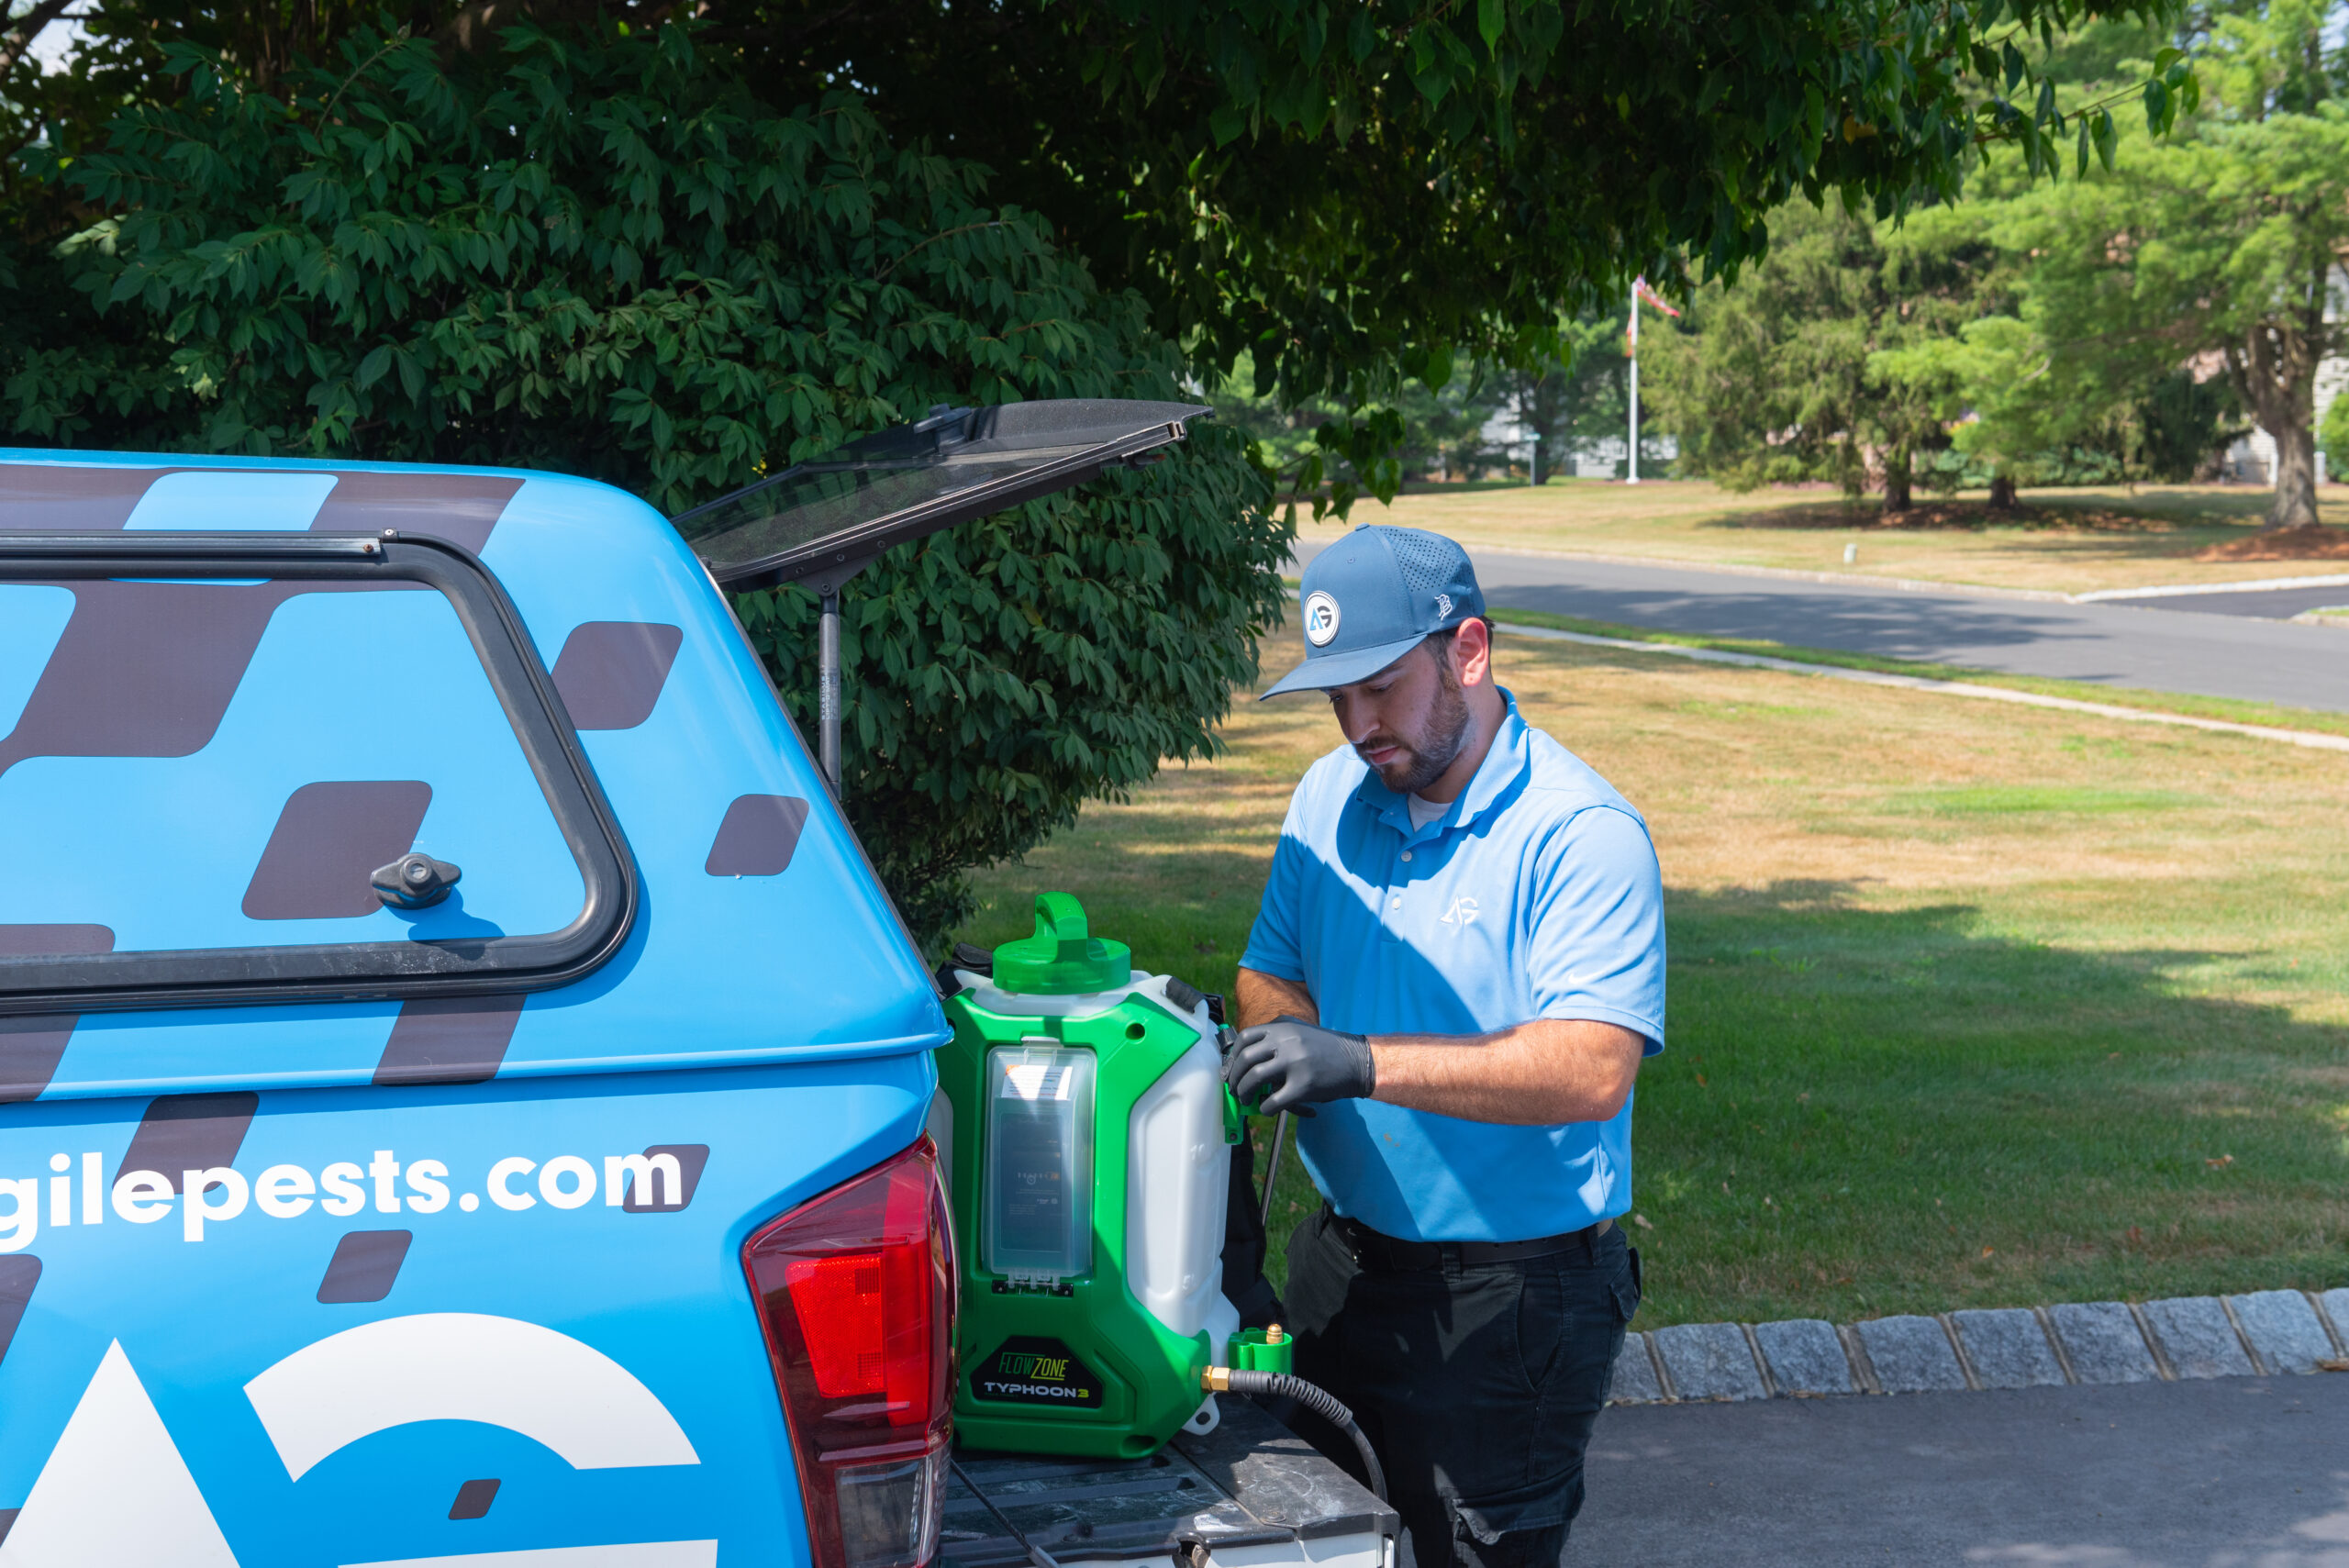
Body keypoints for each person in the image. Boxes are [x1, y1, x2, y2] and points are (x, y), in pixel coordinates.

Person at [1229, 523, 1664, 1568]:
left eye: (1379, 687)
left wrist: (1362, 1061)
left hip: (1512, 1301)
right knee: (1313, 1547)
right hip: (1342, 1264)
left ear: (1466, 650)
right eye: (1336, 695)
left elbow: (1591, 1066)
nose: (1356, 723)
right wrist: (1283, 1027)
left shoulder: (1579, 831)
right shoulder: (1329, 794)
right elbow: (1266, 966)